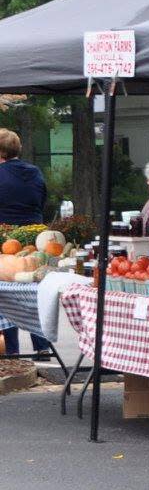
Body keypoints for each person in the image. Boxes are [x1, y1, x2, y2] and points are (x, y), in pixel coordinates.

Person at [0, 128, 51, 357]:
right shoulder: (35, 172)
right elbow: (42, 200)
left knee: (6, 294)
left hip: (6, 240)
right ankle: (42, 347)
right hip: (35, 240)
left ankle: (11, 350)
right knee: (33, 294)